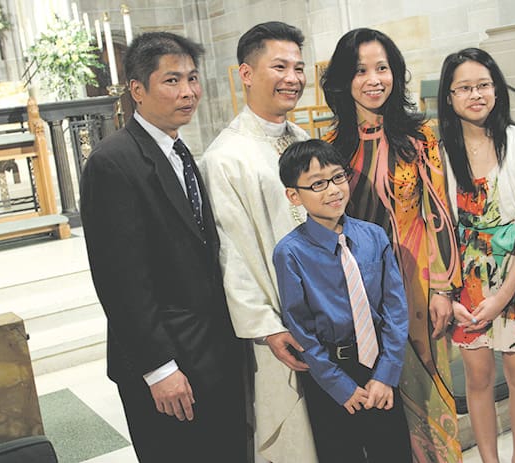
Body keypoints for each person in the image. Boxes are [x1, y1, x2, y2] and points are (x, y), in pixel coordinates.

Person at [80, 32, 247, 462]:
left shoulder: (177, 148)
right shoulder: (112, 162)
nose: (188, 91)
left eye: (192, 79)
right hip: (166, 362)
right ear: (138, 90)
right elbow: (120, 281)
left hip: (209, 351)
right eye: (172, 81)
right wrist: (159, 369)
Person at [321, 28, 463, 462]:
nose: (374, 79)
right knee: (377, 404)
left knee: (426, 387)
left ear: (395, 74)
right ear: (344, 80)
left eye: (382, 68)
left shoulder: (422, 138)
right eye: (361, 70)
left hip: (416, 282)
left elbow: (440, 214)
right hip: (357, 293)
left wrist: (442, 288)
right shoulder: (330, 147)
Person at [198, 22, 318, 462]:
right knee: (295, 439)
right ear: (246, 74)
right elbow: (230, 252)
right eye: (280, 66)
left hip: (330, 319)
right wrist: (267, 327)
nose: (293, 78)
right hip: (279, 327)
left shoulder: (304, 141)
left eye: (299, 68)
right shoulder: (225, 158)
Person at [437, 47, 515, 463]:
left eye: (484, 85)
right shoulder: (439, 151)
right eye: (465, 87)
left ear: (497, 89)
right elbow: (439, 224)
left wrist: (504, 295)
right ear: (449, 96)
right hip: (465, 274)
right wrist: (448, 288)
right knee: (477, 373)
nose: (476, 94)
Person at [273, 139, 412, 463]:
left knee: (393, 452)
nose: (333, 189)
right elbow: (300, 327)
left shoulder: (373, 236)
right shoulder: (290, 252)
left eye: (338, 177)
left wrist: (386, 374)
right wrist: (339, 386)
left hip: (379, 366)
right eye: (318, 184)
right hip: (331, 373)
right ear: (294, 195)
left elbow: (395, 308)